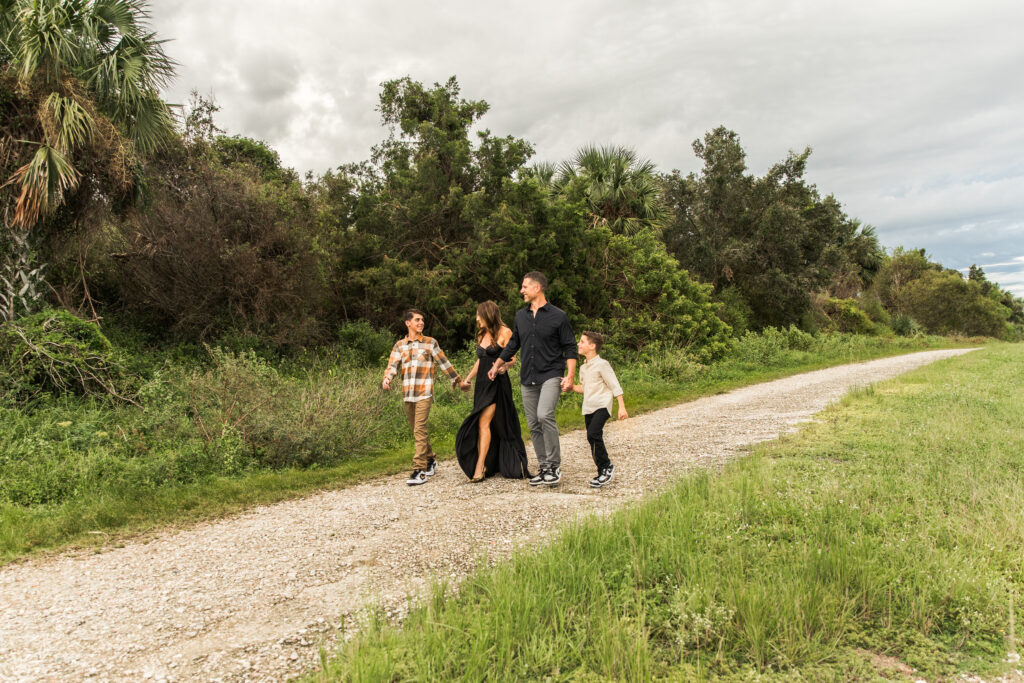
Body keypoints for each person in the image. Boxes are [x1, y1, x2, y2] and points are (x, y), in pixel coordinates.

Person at [489, 272, 577, 487]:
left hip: (551, 373)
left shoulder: (559, 316)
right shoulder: (521, 316)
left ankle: (555, 466)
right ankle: (544, 466)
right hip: (528, 376)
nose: (522, 290)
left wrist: (571, 375)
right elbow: (513, 344)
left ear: (537, 288)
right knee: (534, 423)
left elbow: (570, 347)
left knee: (544, 414)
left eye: (524, 286)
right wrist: (497, 364)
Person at [382, 309, 462, 486]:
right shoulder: (399, 345)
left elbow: (443, 362)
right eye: (417, 320)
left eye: (422, 320)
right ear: (407, 323)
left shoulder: (430, 343)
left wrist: (456, 379)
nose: (421, 323)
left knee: (419, 429)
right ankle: (431, 459)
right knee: (417, 430)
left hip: (424, 392)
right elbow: (392, 365)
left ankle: (420, 470)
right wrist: (387, 378)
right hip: (407, 394)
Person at [454, 301, 530, 482]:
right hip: (482, 383)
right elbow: (480, 360)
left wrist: (504, 366)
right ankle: (493, 461)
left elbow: (512, 358)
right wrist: (468, 379)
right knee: (488, 423)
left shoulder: (505, 332)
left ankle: (480, 466)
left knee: (483, 422)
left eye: (479, 315)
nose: (477, 318)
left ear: (487, 314)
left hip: (496, 383)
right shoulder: (482, 333)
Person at [571, 331, 628, 488]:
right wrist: (569, 387)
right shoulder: (583, 368)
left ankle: (607, 466)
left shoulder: (602, 364)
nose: (579, 344)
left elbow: (614, 385)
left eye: (582, 341)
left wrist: (621, 407)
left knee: (593, 434)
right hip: (588, 407)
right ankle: (601, 471)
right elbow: (584, 388)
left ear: (592, 346)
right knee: (592, 438)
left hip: (602, 405)